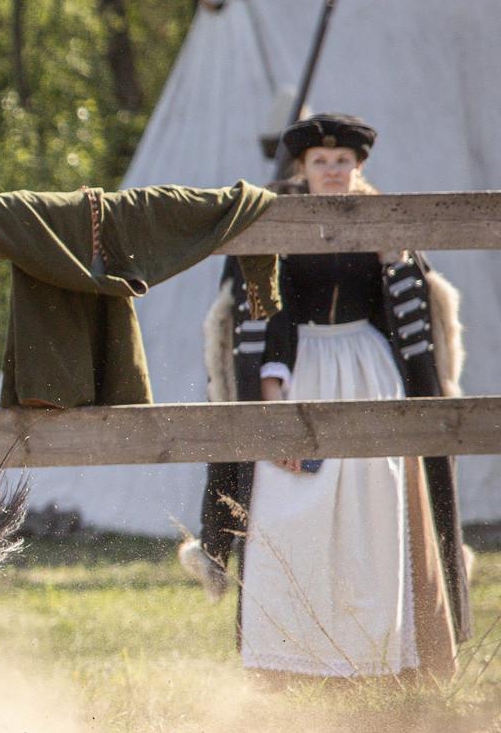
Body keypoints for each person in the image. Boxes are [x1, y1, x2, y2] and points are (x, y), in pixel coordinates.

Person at [182, 116, 470, 680]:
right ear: (303, 168)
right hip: (298, 369)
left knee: (378, 505)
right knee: (287, 508)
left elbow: (408, 318)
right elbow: (262, 312)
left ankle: (389, 656)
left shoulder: (386, 222)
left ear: (357, 166)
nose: (332, 171)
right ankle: (286, 660)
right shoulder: (275, 220)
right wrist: (272, 400)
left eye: (342, 162)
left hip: (369, 370)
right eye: (321, 162)